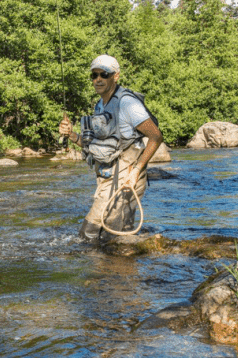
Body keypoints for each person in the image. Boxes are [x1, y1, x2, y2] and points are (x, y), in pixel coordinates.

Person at [59, 54, 163, 243]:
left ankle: (118, 270)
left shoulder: (128, 104)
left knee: (95, 235)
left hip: (127, 177)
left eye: (104, 74)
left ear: (115, 76)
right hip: (107, 178)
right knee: (101, 238)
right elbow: (98, 147)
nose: (98, 79)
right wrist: (72, 135)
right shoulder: (99, 105)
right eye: (94, 75)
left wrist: (137, 170)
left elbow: (156, 136)